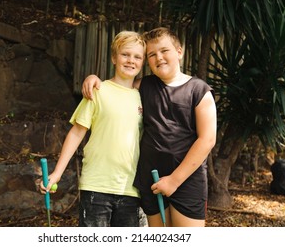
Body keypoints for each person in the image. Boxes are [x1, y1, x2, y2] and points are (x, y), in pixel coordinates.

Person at [82, 27, 217, 227]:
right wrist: (94, 79)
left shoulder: (199, 90)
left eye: (164, 51)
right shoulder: (144, 85)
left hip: (187, 180)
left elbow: (207, 140)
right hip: (151, 180)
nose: (159, 58)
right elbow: (118, 86)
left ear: (179, 52)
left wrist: (174, 181)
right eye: (152, 54)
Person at [40, 30, 146, 227]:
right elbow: (76, 133)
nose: (131, 60)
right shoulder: (98, 91)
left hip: (130, 189)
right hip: (96, 186)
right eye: (125, 54)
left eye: (137, 56)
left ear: (142, 62)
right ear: (114, 58)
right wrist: (57, 172)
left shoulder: (143, 97)